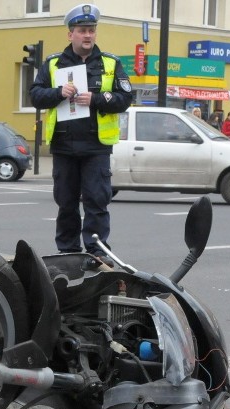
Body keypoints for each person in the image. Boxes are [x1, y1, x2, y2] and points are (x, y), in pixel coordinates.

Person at [29, 3, 132, 265]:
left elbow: (125, 97)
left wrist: (97, 99)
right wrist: (57, 93)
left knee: (97, 203)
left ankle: (97, 251)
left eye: (92, 30)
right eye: (82, 30)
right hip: (64, 146)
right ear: (70, 33)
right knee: (66, 203)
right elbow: (35, 96)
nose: (88, 35)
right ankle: (67, 251)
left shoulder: (110, 62)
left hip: (96, 147)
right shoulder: (53, 64)